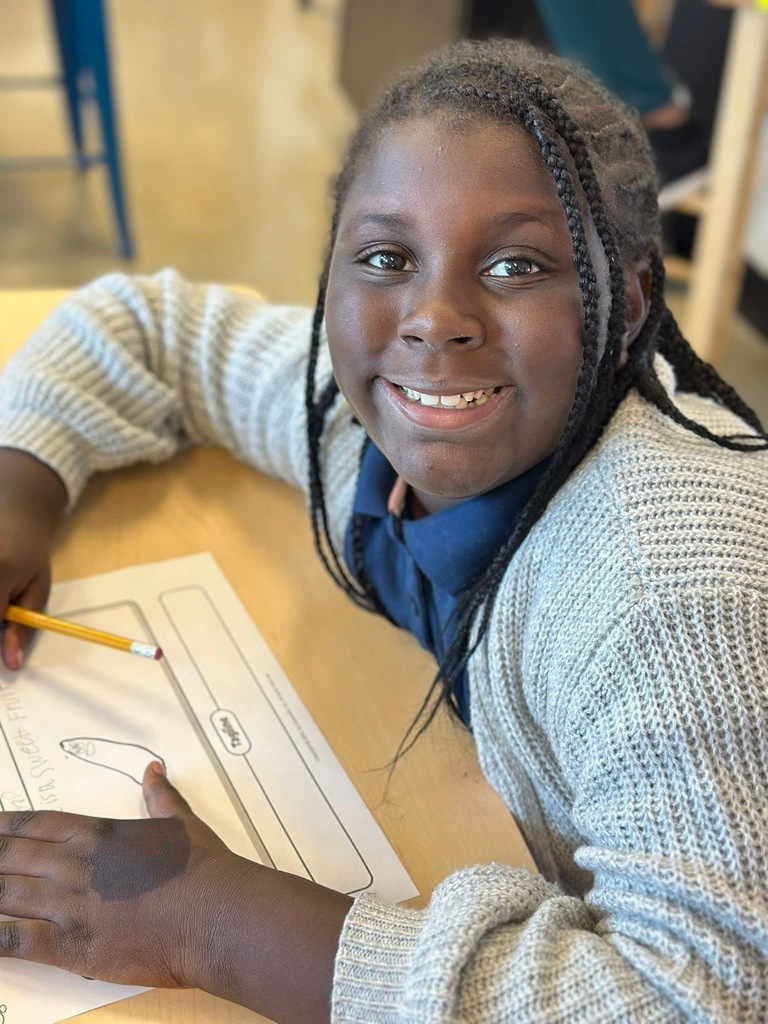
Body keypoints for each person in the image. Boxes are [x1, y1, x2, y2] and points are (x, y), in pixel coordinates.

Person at [0, 38, 766, 1024]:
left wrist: (217, 924)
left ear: (628, 307)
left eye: (516, 264)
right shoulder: (359, 415)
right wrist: (18, 490)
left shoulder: (673, 594)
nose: (434, 318)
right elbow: (145, 327)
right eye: (385, 257)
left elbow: (700, 996)